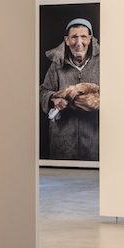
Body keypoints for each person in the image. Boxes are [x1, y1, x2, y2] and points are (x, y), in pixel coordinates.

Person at [40, 18, 100, 160]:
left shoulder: (103, 63)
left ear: (90, 39)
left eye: (83, 37)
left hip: (95, 139)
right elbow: (42, 91)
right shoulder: (57, 65)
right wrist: (53, 99)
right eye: (74, 37)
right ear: (67, 40)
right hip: (63, 140)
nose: (79, 43)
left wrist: (95, 100)